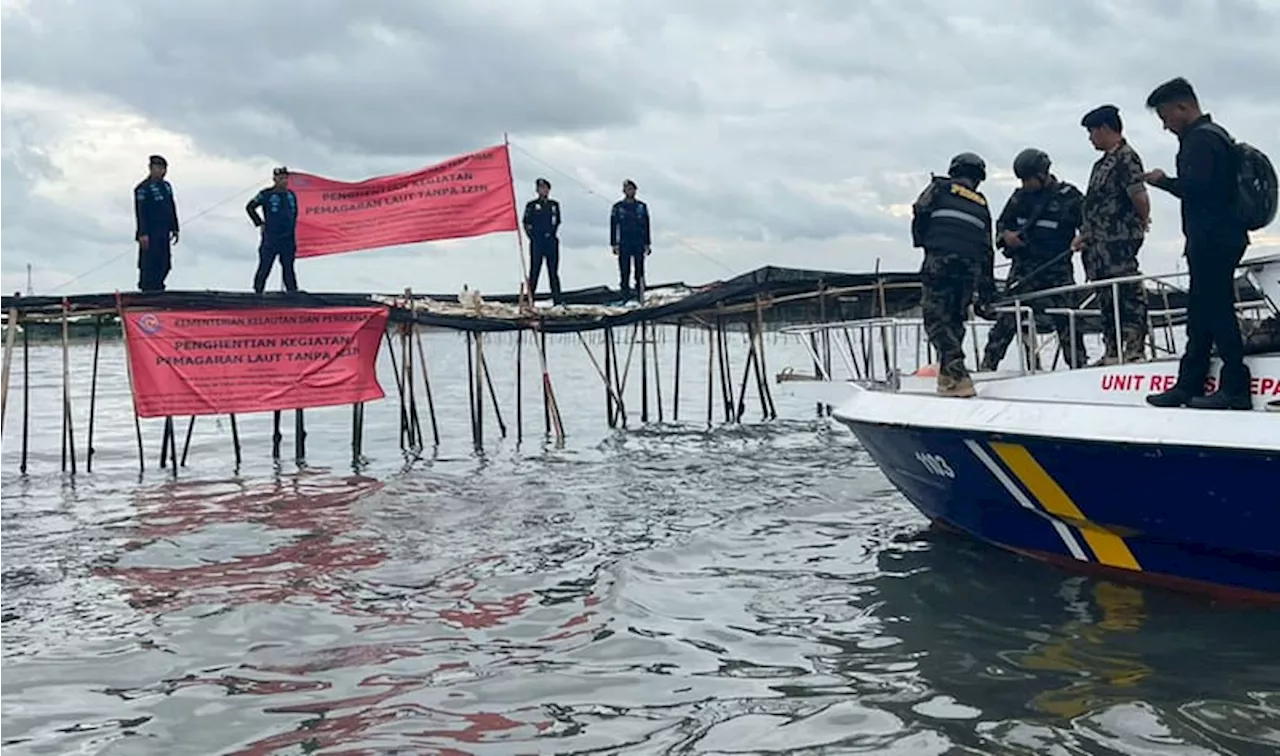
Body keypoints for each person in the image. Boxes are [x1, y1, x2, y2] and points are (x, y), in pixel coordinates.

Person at [1142, 77, 1252, 410]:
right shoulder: (1217, 136)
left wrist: (1163, 182)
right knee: (1201, 312)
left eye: (1165, 117)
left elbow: (1200, 190)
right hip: (1222, 236)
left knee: (1216, 311)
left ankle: (1235, 386)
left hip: (1212, 238)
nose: (1165, 126)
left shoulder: (1200, 141)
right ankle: (1188, 384)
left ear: (1183, 107)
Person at [980, 148, 1088, 372]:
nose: (1025, 184)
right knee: (1007, 318)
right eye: (1022, 180)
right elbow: (1001, 226)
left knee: (1067, 320)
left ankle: (1079, 368)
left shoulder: (1069, 196)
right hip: (1023, 269)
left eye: (1028, 179)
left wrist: (1082, 237)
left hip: (1057, 269)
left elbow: (1088, 224)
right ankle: (987, 367)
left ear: (1042, 174)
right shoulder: (1019, 198)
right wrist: (1006, 237)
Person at [1073, 104, 1152, 366]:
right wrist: (1085, 234)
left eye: (1092, 131)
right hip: (1097, 245)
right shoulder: (1100, 165)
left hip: (1118, 240)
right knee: (1106, 297)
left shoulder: (1126, 157)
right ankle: (1112, 349)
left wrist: (1142, 220)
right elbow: (1094, 205)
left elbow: (1138, 195)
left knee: (1127, 292)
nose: (1090, 138)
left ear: (1105, 129)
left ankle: (1134, 348)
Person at [911, 152, 996, 397]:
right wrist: (987, 293)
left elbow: (919, 211)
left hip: (940, 262)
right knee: (955, 321)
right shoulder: (981, 203)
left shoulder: (939, 188)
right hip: (969, 270)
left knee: (935, 318)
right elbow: (986, 248)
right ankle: (949, 378)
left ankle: (956, 369)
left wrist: (923, 241)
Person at [246, 166, 300, 294]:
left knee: (288, 267)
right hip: (271, 237)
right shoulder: (266, 194)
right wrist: (259, 223)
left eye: (285, 178)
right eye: (280, 178)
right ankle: (258, 291)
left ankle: (293, 292)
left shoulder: (291, 195)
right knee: (265, 265)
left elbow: (295, 213)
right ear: (274, 179)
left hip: (288, 238)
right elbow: (250, 207)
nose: (283, 181)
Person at [133, 154, 179, 292]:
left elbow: (171, 206)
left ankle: (159, 286)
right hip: (150, 232)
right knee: (148, 263)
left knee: (164, 263)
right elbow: (140, 212)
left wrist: (175, 227)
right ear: (151, 168)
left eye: (163, 168)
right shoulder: (143, 188)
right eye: (158, 168)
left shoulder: (166, 187)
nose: (161, 171)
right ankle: (147, 289)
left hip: (163, 231)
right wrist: (142, 233)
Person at [522, 178, 562, 305]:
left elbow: (557, 222)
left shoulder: (554, 205)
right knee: (534, 271)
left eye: (545, 188)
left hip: (551, 240)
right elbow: (526, 223)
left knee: (553, 272)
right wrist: (533, 237)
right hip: (537, 241)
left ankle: (557, 300)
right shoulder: (532, 205)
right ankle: (530, 299)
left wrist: (550, 234)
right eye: (540, 188)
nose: (542, 190)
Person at [610, 179, 651, 302]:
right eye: (627, 189)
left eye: (632, 189)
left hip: (638, 241)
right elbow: (613, 226)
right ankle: (625, 296)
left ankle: (640, 294)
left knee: (639, 270)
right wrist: (614, 243)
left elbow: (647, 225)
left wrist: (647, 243)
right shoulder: (618, 207)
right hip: (624, 242)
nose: (630, 191)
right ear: (624, 191)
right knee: (624, 271)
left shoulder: (641, 207)